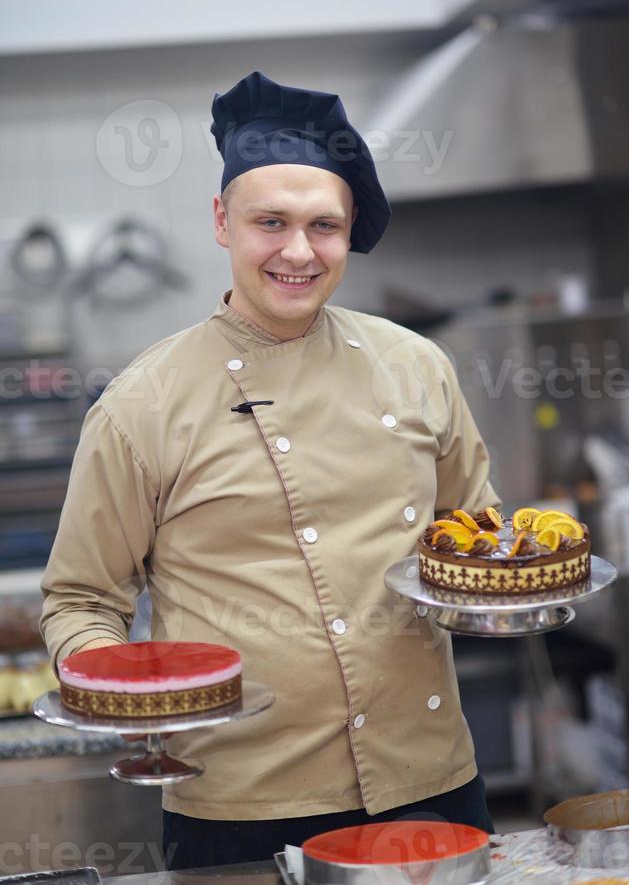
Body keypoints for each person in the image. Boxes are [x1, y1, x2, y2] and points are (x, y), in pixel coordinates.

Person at [40, 71, 500, 870]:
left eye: (324, 226)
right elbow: (81, 599)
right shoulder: (143, 404)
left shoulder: (416, 366)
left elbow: (477, 544)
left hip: (430, 782)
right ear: (222, 222)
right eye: (270, 222)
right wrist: (120, 694)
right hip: (241, 801)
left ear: (349, 227)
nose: (298, 251)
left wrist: (504, 595)